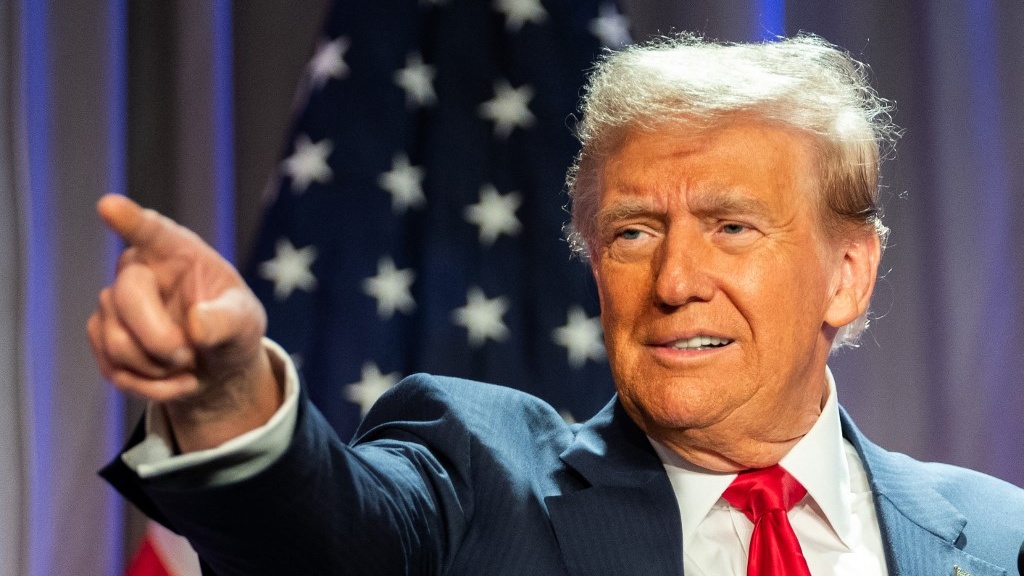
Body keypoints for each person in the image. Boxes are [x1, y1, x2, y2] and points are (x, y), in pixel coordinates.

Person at [92, 34, 1024, 575]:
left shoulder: (995, 537)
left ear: (847, 274)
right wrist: (223, 398)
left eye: (732, 227)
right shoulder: (477, 481)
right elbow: (326, 538)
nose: (673, 281)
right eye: (631, 233)